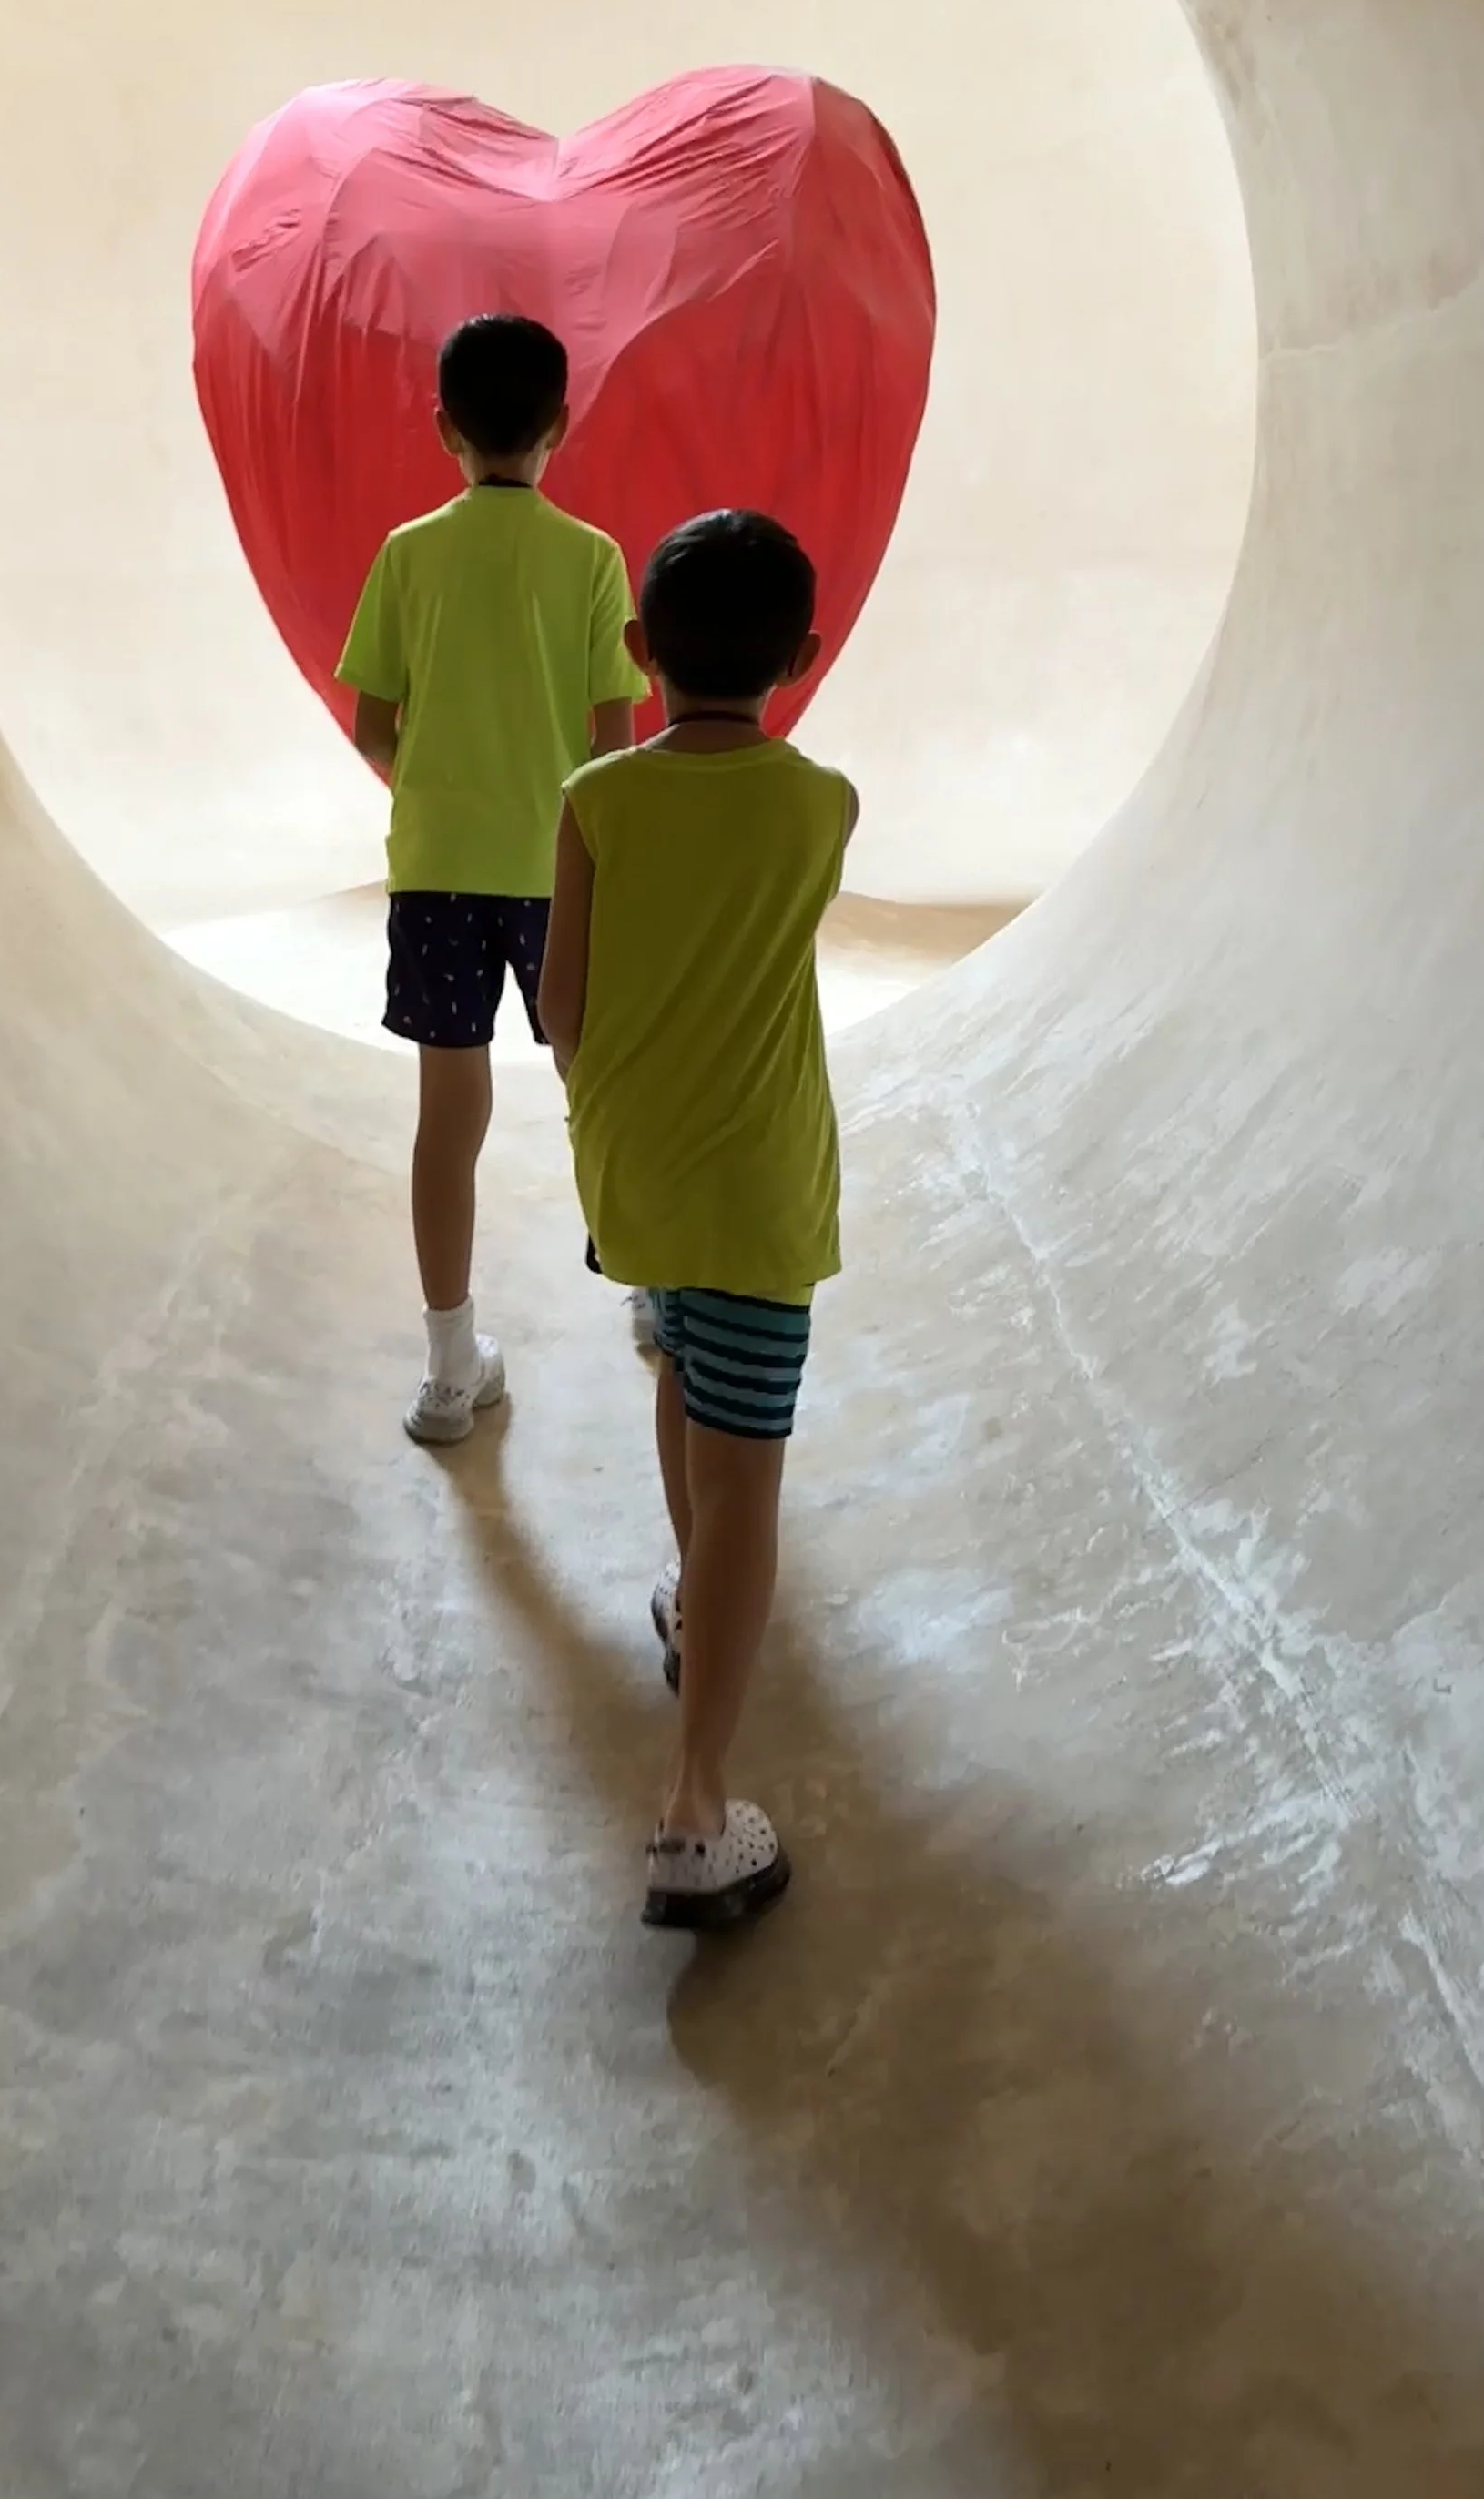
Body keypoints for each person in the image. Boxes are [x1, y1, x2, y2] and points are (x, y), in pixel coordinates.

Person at [538, 509, 856, 1930]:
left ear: (637, 647)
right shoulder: (821, 803)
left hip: (636, 1180)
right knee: (748, 1483)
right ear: (801, 653)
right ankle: (696, 1808)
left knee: (674, 1367)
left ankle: (687, 1599)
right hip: (755, 1195)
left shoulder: (595, 796)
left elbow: (560, 1011)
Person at [339, 313, 645, 1443]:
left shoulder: (408, 552)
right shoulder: (595, 558)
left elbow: (374, 722)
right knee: (596, 1082)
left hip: (437, 872)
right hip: (560, 863)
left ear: (442, 431)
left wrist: (429, 779)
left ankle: (450, 1364)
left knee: (445, 1116)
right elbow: (615, 745)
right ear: (562, 424)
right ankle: (654, 1289)